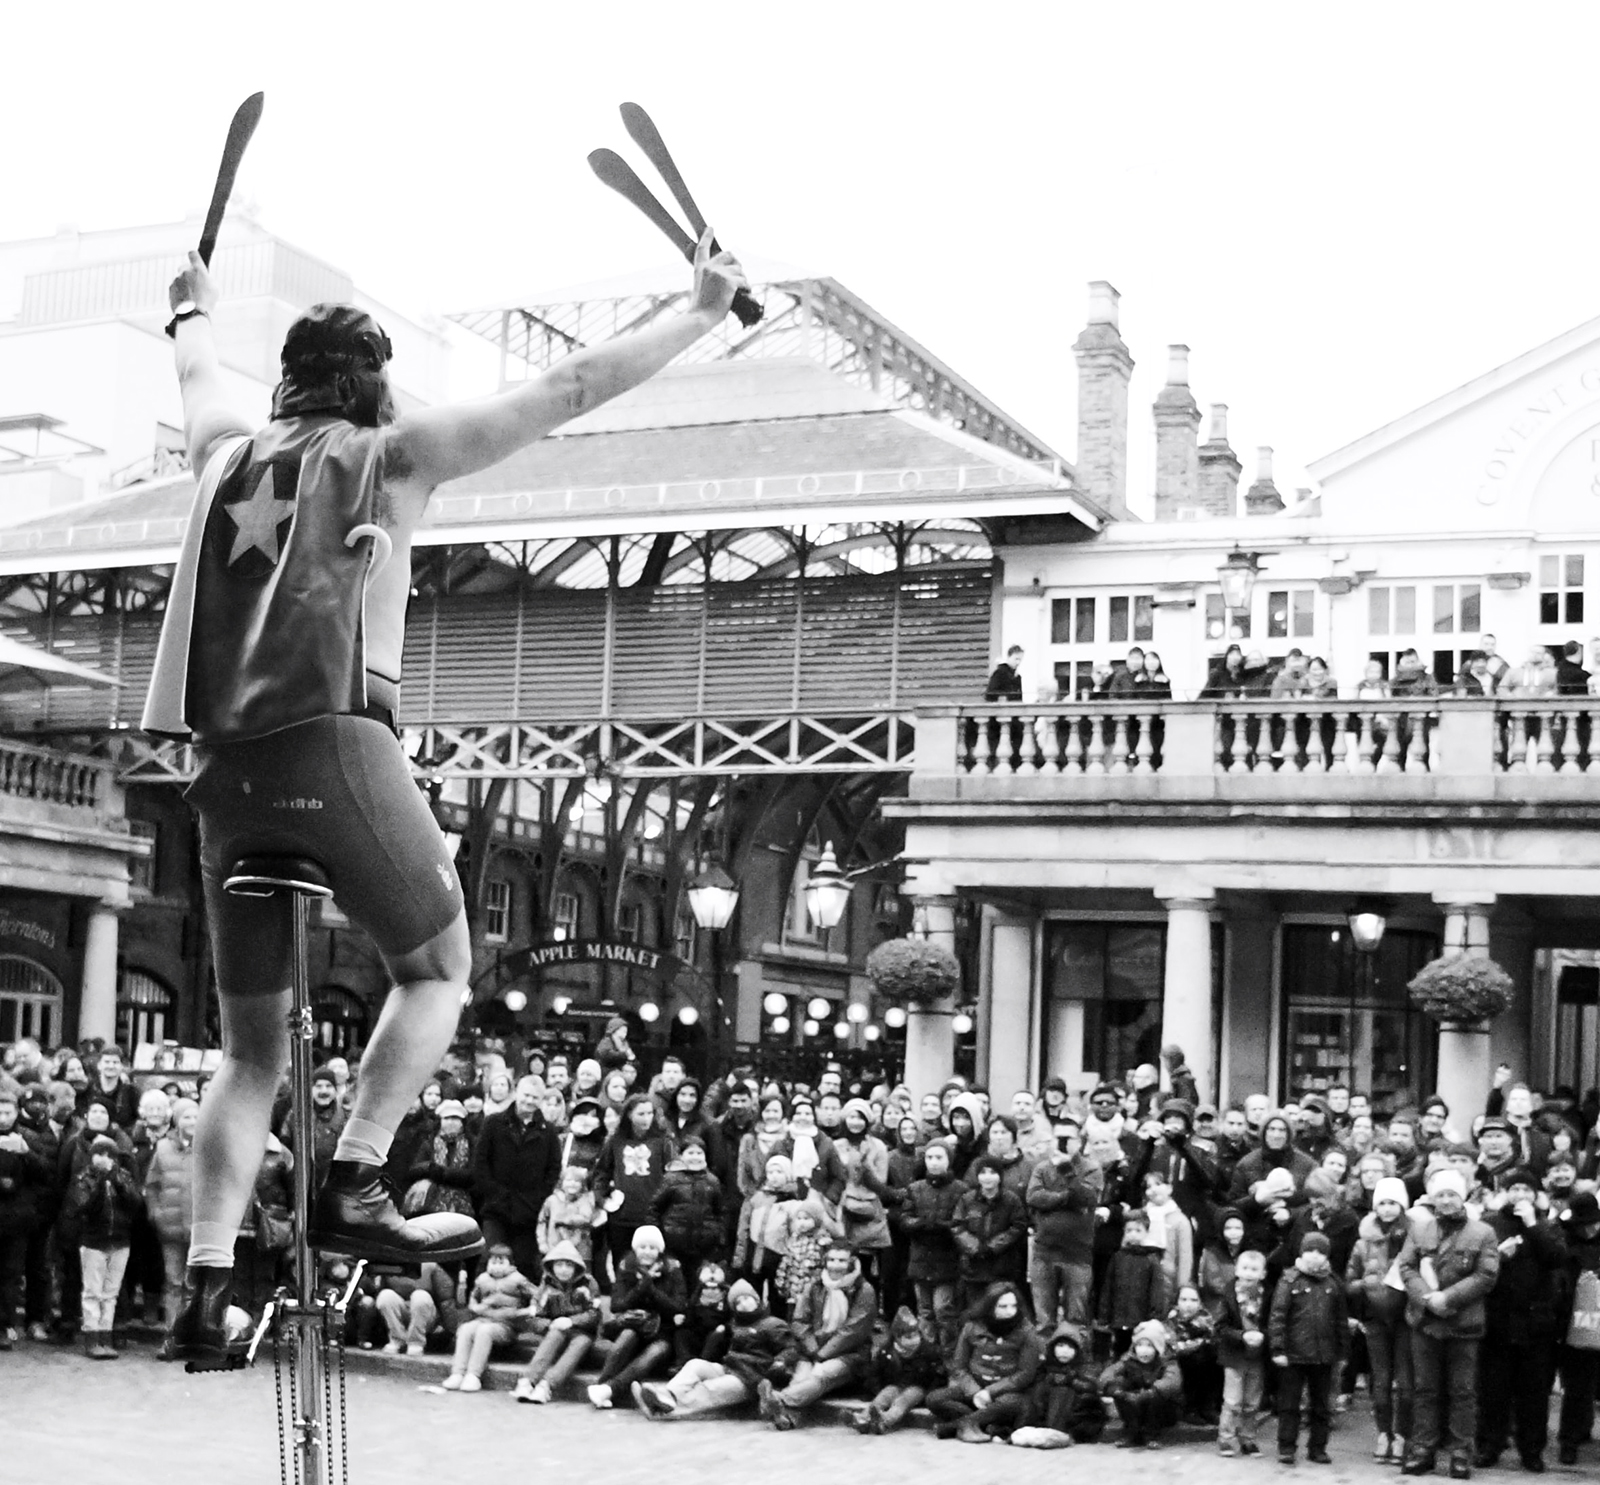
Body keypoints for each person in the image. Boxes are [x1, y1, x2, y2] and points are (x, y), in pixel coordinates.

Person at [148, 232, 746, 1363]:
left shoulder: (223, 458)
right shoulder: (392, 454)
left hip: (222, 774)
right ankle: (360, 1175)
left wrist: (190, 312)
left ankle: (207, 1291)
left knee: (251, 1055)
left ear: (285, 379)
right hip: (331, 745)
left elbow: (197, 381)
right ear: (371, 386)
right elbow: (566, 387)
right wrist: (700, 311)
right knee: (440, 969)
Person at [1399, 1168, 1500, 1478]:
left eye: (1452, 1194)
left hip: (1464, 1325)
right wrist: (1428, 1298)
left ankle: (1460, 1453)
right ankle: (1423, 1449)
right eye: (1440, 1194)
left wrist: (1449, 1299)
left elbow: (1486, 1275)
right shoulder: (1419, 1229)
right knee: (1425, 1389)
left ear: (1463, 1197)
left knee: (1463, 1391)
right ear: (1432, 1197)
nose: (1445, 1200)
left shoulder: (1483, 1232)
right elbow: (1405, 1266)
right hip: (1425, 1322)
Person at [1476, 1166, 1566, 1471]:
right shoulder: (1490, 1224)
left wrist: (1532, 1225)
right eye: (1515, 1189)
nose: (1520, 1195)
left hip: (1536, 1324)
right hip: (1498, 1321)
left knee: (1534, 1394)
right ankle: (1489, 1445)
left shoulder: (1547, 1226)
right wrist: (1499, 1257)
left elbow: (1556, 1257)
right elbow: (1479, 1266)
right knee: (1493, 1391)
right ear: (1505, 1192)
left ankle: (1532, 1451)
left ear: (1536, 1195)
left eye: (1526, 1190)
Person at [756, 1239, 876, 1429]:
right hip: (811, 1349)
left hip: (850, 1355)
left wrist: (822, 1355)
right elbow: (800, 1321)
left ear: (852, 1262)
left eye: (842, 1261)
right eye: (832, 1259)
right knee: (802, 1380)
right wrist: (813, 1349)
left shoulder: (864, 1290)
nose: (835, 1265)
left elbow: (854, 1331)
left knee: (821, 1373)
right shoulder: (815, 1285)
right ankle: (788, 1420)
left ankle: (779, 1399)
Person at [634, 1277, 792, 1420]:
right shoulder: (735, 1325)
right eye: (738, 1303)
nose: (743, 1304)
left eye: (746, 1299)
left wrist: (780, 1362)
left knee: (709, 1389)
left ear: (756, 1300)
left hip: (751, 1379)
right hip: (729, 1368)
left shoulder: (774, 1324)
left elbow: (790, 1348)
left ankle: (662, 1411)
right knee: (696, 1365)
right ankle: (667, 1394)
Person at [1347, 1175, 1416, 1462]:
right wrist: (1363, 1284)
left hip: (1405, 1319)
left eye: (1393, 1203)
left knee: (1407, 1383)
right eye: (1382, 1203)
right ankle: (1383, 1434)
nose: (1387, 1208)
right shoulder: (1363, 1243)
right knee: (1381, 1381)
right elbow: (1348, 1282)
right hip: (1375, 1320)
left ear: (1402, 1206)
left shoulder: (1414, 1237)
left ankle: (1402, 1435)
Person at [584, 1224, 686, 1410]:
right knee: (626, 1337)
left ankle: (608, 1389)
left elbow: (677, 1307)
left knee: (655, 1353)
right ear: (635, 1249)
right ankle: (602, 1385)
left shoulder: (672, 1268)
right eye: (643, 1247)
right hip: (634, 1325)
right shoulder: (627, 1267)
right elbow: (617, 1305)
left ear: (659, 1250)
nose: (647, 1252)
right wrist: (641, 1287)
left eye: (652, 1248)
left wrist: (650, 1288)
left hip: (663, 1331)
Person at [925, 1281, 1042, 1442]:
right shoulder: (971, 1327)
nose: (1010, 1311)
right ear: (990, 1306)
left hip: (1006, 1393)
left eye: (1013, 1306)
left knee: (1014, 1404)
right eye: (1003, 1306)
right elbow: (959, 1367)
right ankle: (985, 1425)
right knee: (934, 1399)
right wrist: (974, 1392)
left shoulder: (1027, 1331)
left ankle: (956, 1426)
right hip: (975, 1389)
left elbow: (1025, 1374)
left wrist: (991, 1392)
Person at [1270, 1230, 1349, 1465]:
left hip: (1324, 1356)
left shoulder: (1333, 1283)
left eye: (1320, 1252)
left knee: (1321, 1406)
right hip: (1293, 1355)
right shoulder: (1289, 1280)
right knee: (1289, 1405)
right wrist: (1277, 1349)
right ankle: (1286, 1446)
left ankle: (1318, 1447)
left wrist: (1343, 1352)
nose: (1314, 1256)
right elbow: (1278, 1317)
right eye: (1309, 1251)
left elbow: (1340, 1320)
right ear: (1301, 1252)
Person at [472, 1076, 561, 1278]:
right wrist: (495, 1194)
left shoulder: (548, 1132)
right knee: (490, 1260)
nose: (529, 1101)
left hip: (529, 1212)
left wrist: (536, 1199)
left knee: (524, 1265)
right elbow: (480, 1164)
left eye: (535, 1097)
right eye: (526, 1095)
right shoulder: (493, 1123)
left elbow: (553, 1170)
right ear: (516, 1093)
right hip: (496, 1208)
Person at [1027, 1113, 1103, 1329]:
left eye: (1068, 1138)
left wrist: (1067, 1171)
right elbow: (1034, 1198)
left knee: (1076, 1317)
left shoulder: (1091, 1168)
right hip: (1044, 1251)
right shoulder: (1041, 1168)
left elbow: (1087, 1199)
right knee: (1044, 1318)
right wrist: (1064, 1198)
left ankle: (1073, 1359)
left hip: (1077, 1253)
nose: (1062, 1143)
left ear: (1079, 1141)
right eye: (1058, 1137)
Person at [509, 1238, 600, 1403]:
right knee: (555, 1333)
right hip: (555, 1331)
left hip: (582, 1332)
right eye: (559, 1265)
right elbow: (534, 1316)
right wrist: (550, 1324)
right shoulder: (547, 1285)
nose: (563, 1270)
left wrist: (572, 1321)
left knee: (581, 1342)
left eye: (568, 1265)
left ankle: (547, 1385)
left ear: (576, 1267)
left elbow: (594, 1313)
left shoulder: (587, 1284)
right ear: (551, 1266)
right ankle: (528, 1381)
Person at [443, 1243, 537, 1393]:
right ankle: (457, 1373)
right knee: (466, 1329)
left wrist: (526, 1311)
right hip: (483, 1318)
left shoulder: (519, 1279)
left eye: (501, 1262)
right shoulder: (482, 1279)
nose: (497, 1266)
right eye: (493, 1262)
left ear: (511, 1264)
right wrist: (474, 1307)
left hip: (505, 1325)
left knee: (484, 1331)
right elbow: (473, 1297)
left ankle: (473, 1374)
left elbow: (537, 1296)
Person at [143, 1096, 198, 1329]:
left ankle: (194, 1335)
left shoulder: (210, 1147)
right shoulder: (163, 1148)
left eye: (196, 1116)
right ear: (177, 1120)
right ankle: (172, 1334)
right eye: (187, 1117)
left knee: (196, 1284)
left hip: (200, 1230)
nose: (192, 1121)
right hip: (171, 1228)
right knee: (173, 1282)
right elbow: (152, 1185)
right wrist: (156, 1212)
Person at [1556, 1190, 1600, 1466]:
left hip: (1585, 1320)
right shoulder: (1564, 1240)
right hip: (1572, 1323)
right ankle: (1569, 1440)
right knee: (1576, 1387)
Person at [852, 1304, 946, 1434]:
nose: (914, 1340)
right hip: (895, 1384)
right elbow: (876, 1371)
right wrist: (876, 1388)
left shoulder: (928, 1352)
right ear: (897, 1338)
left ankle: (884, 1421)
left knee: (902, 1401)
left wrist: (929, 1392)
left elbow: (937, 1375)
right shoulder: (886, 1351)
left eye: (916, 1335)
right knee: (883, 1396)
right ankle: (864, 1418)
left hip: (918, 1387)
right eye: (908, 1337)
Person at [1216, 1246, 1269, 1456]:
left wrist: (1263, 1335)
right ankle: (1226, 1440)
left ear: (1262, 1274)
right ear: (1237, 1270)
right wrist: (1242, 1336)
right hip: (1234, 1356)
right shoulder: (1227, 1296)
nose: (1248, 1273)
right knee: (1232, 1401)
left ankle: (1248, 1439)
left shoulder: (1268, 1296)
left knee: (1252, 1402)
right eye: (1245, 1268)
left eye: (1254, 1269)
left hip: (1257, 1357)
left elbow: (1274, 1323)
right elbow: (1220, 1327)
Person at [1100, 1317, 1182, 1448]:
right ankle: (1131, 1434)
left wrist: (1149, 1393)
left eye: (1149, 1345)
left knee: (1158, 1396)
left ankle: (1152, 1435)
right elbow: (1107, 1375)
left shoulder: (1167, 1361)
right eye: (1140, 1345)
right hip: (1135, 1405)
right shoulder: (1128, 1360)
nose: (1143, 1350)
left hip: (1161, 1410)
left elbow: (1172, 1382)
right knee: (1120, 1386)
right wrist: (1118, 1391)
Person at [373, 1260, 458, 1356]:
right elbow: (378, 1294)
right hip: (402, 1313)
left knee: (420, 1296)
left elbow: (446, 1300)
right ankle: (397, 1339)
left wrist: (451, 1331)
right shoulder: (390, 1266)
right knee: (385, 1295)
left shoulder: (430, 1265)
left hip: (427, 1316)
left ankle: (416, 1342)